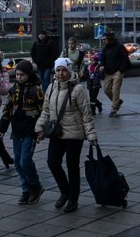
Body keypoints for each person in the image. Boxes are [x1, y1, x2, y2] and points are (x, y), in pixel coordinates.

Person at [35, 57, 97, 213]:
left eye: (64, 70)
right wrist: (39, 127)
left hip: (74, 133)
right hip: (57, 131)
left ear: (69, 71)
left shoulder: (78, 90)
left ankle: (73, 199)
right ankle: (65, 190)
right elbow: (46, 111)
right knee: (52, 162)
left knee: (72, 166)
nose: (61, 73)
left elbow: (86, 114)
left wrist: (91, 135)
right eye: (58, 70)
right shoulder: (51, 87)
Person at [0, 59, 45, 205]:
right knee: (17, 162)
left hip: (31, 131)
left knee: (25, 161)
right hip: (17, 131)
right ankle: (26, 190)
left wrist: (41, 128)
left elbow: (43, 110)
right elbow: (7, 109)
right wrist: (2, 129)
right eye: (17, 74)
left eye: (22, 75)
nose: (18, 77)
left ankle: (35, 186)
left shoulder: (37, 90)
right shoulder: (14, 89)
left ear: (29, 75)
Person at [100, 31, 130, 117]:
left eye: (104, 39)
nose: (103, 41)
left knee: (115, 90)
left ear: (109, 39)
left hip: (118, 71)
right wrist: (102, 65)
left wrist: (120, 71)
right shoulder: (105, 48)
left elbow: (125, 59)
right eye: (102, 40)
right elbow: (102, 59)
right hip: (108, 72)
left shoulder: (119, 46)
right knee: (106, 89)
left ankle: (114, 108)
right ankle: (118, 102)